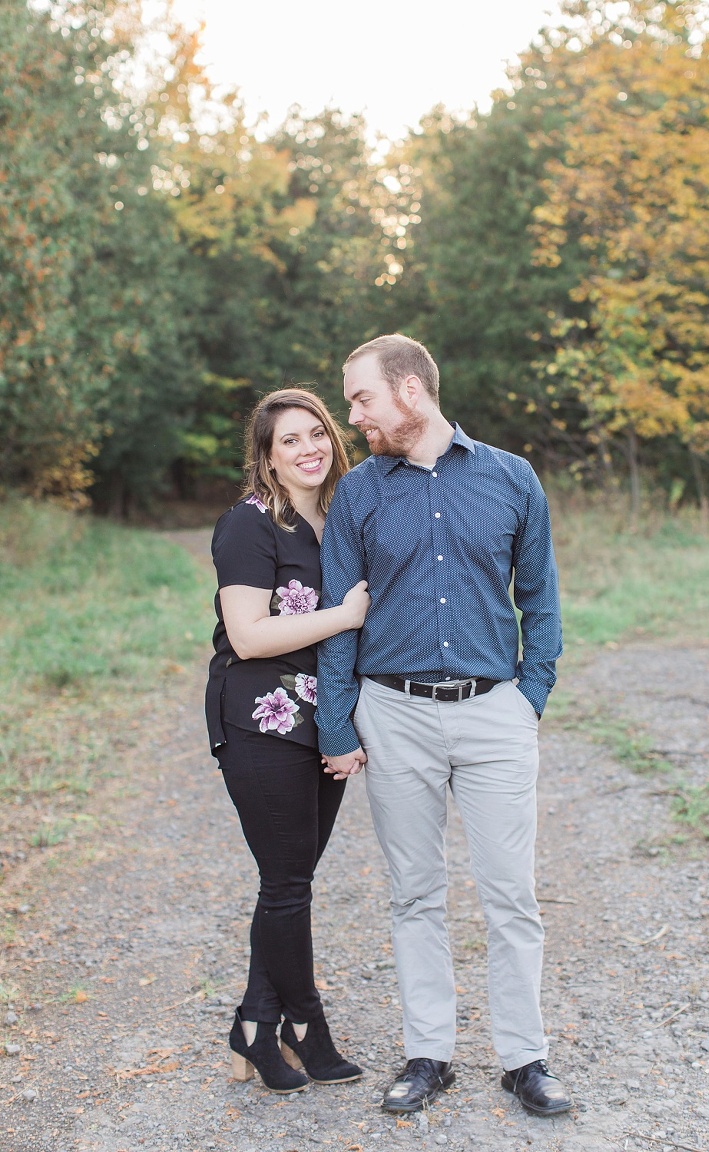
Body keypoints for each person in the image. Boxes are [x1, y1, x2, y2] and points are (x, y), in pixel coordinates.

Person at [316, 335, 572, 1117]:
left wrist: (528, 697)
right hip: (392, 716)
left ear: (410, 392)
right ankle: (428, 1054)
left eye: (361, 398)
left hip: (495, 712)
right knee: (415, 894)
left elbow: (542, 600)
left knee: (510, 895)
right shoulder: (358, 494)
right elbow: (338, 622)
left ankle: (525, 1060)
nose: (351, 417)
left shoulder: (510, 478)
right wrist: (338, 724)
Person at [205, 387, 369, 1094]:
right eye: (290, 442)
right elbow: (247, 636)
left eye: (316, 435)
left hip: (323, 721)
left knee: (290, 882)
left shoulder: (338, 519)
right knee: (286, 883)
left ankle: (253, 1024)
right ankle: (305, 1026)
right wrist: (342, 615)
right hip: (261, 719)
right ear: (268, 459)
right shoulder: (249, 526)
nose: (309, 449)